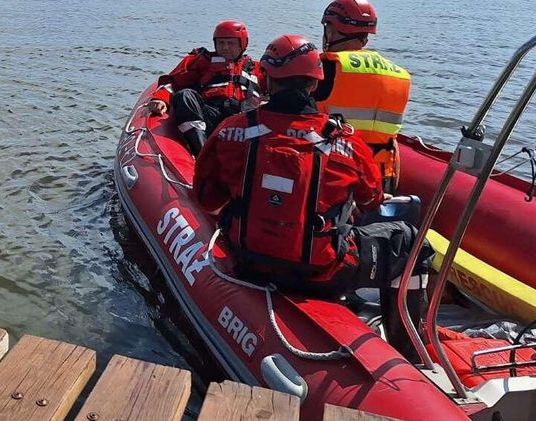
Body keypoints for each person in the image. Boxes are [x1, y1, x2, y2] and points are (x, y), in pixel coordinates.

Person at [193, 34, 431, 361]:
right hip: (323, 274)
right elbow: (372, 200)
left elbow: (206, 198)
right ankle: (410, 354)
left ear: (265, 78)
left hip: (247, 262)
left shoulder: (232, 130)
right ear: (315, 84)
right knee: (414, 245)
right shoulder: (346, 140)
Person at [315, 0, 411, 193]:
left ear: (331, 31)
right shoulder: (401, 75)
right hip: (380, 179)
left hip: (333, 172)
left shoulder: (327, 66)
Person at [147, 20, 260, 157]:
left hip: (243, 122)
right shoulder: (203, 61)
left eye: (230, 43)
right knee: (184, 96)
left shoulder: (258, 69)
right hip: (209, 115)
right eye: (221, 43)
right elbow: (174, 81)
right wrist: (161, 99)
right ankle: (202, 153)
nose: (225, 48)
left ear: (243, 44)